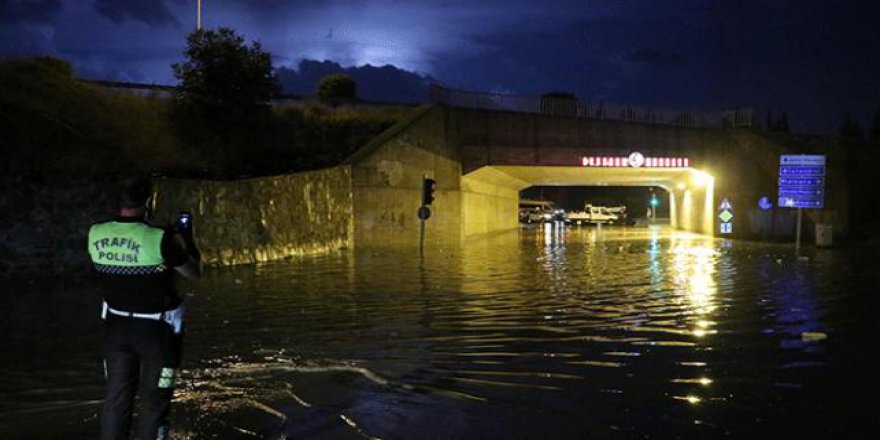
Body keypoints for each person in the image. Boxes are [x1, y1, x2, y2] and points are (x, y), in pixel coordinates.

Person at [88, 178, 202, 440]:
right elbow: (194, 272)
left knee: (116, 401)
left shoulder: (95, 233)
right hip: (157, 333)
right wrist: (186, 239)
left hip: (116, 330)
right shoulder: (160, 238)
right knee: (155, 402)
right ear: (149, 201)